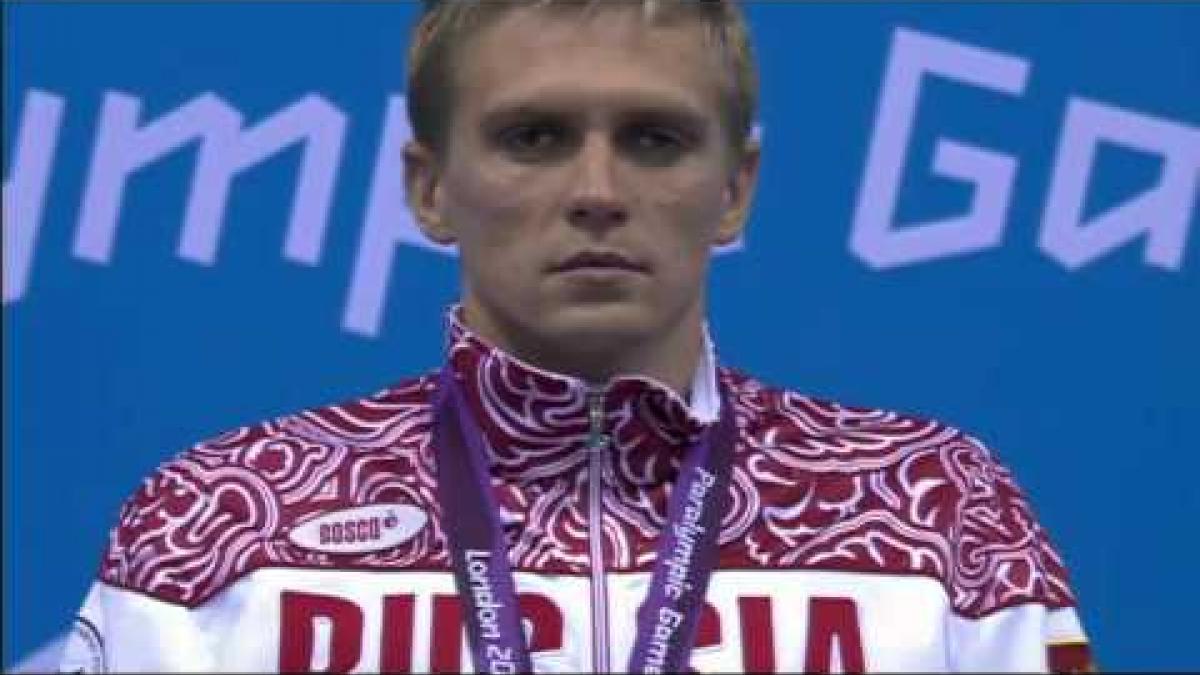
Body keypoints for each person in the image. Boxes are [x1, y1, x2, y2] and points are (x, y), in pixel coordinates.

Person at [61, 1, 1094, 672]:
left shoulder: (938, 509)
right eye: (535, 138)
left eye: (655, 139)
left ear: (734, 190)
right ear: (429, 188)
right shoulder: (218, 524)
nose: (597, 192)